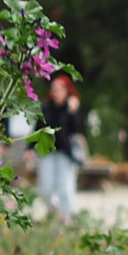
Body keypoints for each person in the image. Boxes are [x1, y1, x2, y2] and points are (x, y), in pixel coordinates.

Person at [37, 75, 87, 221]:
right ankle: (55, 212)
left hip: (66, 152)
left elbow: (77, 131)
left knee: (65, 187)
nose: (56, 92)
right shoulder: (46, 107)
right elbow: (38, 128)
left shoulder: (72, 107)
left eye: (59, 89)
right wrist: (29, 148)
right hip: (47, 151)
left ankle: (67, 217)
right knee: (45, 188)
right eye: (53, 89)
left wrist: (72, 112)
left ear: (66, 91)